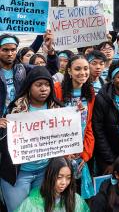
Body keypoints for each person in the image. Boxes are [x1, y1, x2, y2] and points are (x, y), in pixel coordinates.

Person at [0, 66, 62, 212]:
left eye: (47, 85)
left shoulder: (58, 109)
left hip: (45, 172)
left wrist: (76, 114)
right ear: (29, 86)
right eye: (38, 85)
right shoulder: (15, 109)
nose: (43, 89)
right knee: (18, 209)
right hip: (17, 175)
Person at [53, 55, 95, 197]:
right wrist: (64, 153)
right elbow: (51, 126)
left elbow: (88, 126)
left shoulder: (90, 92)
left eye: (85, 68)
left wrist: (85, 154)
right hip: (60, 155)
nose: (82, 73)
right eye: (77, 69)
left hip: (80, 155)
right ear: (69, 71)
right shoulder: (57, 90)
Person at [0, 33, 56, 115]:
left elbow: (49, 70)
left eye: (13, 50)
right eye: (5, 50)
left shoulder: (23, 69)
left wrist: (50, 50)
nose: (10, 53)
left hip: (20, 119)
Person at [15, 157, 89, 212]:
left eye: (68, 178)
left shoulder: (77, 200)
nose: (64, 182)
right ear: (50, 176)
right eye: (59, 177)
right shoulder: (31, 204)